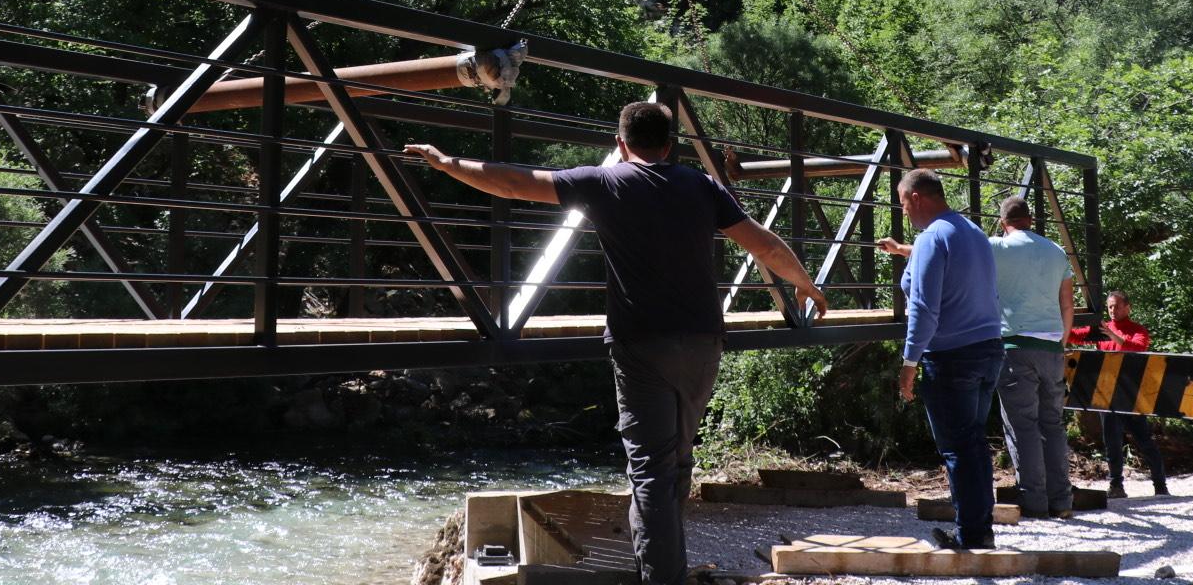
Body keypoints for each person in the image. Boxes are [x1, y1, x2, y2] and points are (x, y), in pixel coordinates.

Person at [405, 100, 825, 585]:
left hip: (642, 345)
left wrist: (446, 162)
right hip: (704, 342)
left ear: (620, 144)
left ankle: (662, 576)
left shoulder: (605, 182)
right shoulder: (702, 186)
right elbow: (765, 245)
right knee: (676, 460)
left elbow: (512, 181)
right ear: (670, 145)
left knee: (650, 470)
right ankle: (669, 565)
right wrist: (805, 283)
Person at [880, 169, 1004, 551]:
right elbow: (946, 264)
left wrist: (909, 362)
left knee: (958, 448)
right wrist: (904, 251)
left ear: (916, 197)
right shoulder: (969, 230)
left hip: (951, 358)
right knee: (973, 443)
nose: (904, 212)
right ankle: (980, 529)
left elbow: (923, 307)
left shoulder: (933, 236)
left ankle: (971, 535)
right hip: (988, 349)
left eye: (903, 203)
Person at [989, 195, 1076, 519]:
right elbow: (1067, 304)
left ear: (1003, 223)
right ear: (1030, 220)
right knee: (1052, 424)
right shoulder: (1055, 251)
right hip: (1052, 347)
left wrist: (902, 250)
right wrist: (1061, 340)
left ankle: (1035, 502)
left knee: (1022, 426)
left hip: (1016, 347)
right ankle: (1062, 502)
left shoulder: (998, 247)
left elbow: (953, 252)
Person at [1095, 290, 1168, 498]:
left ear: (1128, 307)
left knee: (1144, 440)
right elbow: (1075, 335)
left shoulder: (1137, 330)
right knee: (1112, 443)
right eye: (1109, 306)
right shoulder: (1102, 329)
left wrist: (1113, 336)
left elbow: (1138, 346)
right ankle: (1116, 486)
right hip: (1107, 395)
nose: (1112, 310)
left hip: (1133, 396)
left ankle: (1160, 485)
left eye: (1117, 306)